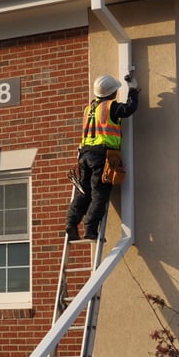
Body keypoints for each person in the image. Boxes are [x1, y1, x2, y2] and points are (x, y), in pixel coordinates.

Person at [64, 72, 140, 241]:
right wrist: (134, 90)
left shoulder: (89, 108)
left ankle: (71, 224)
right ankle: (90, 229)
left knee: (82, 193)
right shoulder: (110, 107)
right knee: (99, 194)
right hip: (101, 155)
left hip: (84, 155)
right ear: (111, 93)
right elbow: (129, 108)